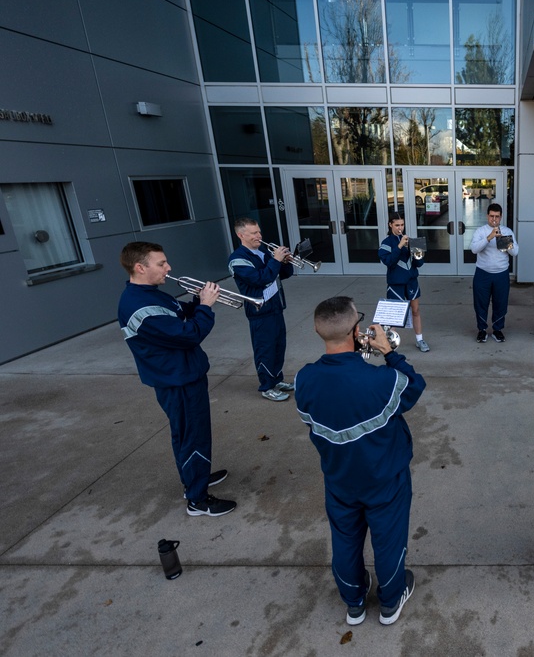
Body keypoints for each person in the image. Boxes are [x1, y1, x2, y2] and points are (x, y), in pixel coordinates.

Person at [295, 296, 426, 626]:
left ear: (317, 330)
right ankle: (390, 601)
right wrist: (389, 352)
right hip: (384, 477)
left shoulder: (303, 380)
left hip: (339, 478)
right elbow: (414, 386)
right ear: (357, 331)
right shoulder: (381, 381)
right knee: (388, 539)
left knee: (345, 539)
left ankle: (353, 601)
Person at [117, 242, 236, 517]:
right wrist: (206, 306)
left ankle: (196, 477)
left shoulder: (151, 295)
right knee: (192, 436)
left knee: (187, 434)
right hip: (177, 380)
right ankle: (198, 499)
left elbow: (181, 315)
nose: (168, 268)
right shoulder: (139, 306)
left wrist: (197, 300)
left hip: (182, 374)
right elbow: (189, 334)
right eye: (161, 264)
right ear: (140, 267)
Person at [228, 218, 295, 402]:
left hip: (275, 307)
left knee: (278, 346)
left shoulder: (263, 252)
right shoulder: (237, 259)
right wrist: (275, 260)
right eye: (254, 233)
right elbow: (260, 279)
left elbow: (284, 274)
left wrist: (285, 262)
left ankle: (277, 379)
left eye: (259, 231)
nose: (259, 236)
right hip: (259, 311)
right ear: (241, 235)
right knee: (265, 349)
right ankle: (266, 386)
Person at [379, 212, 429, 352]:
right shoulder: (386, 243)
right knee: (394, 316)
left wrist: (415, 252)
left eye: (402, 225)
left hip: (411, 281)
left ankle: (420, 340)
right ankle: (391, 344)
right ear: (390, 225)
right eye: (397, 225)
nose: (400, 228)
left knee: (416, 310)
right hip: (396, 283)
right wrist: (400, 246)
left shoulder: (411, 240)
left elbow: (420, 264)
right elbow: (389, 262)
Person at [470, 203, 519, 342]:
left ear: (501, 217)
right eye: (491, 216)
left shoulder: (507, 231)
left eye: (497, 217)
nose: (494, 219)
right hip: (483, 273)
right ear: (487, 216)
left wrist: (504, 240)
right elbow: (474, 249)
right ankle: (482, 330)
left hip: (501, 273)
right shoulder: (480, 231)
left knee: (500, 303)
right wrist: (489, 237)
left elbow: (515, 252)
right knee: (480, 303)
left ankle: (498, 329)